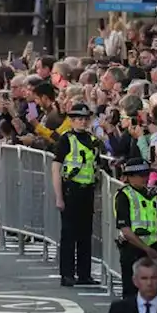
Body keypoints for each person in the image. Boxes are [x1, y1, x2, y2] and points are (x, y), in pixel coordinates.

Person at [52, 102, 102, 287]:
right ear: (71, 121)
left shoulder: (93, 140)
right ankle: (67, 274)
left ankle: (84, 274)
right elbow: (56, 168)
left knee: (85, 234)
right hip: (70, 190)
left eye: (84, 119)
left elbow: (96, 167)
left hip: (87, 191)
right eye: (78, 119)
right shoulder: (66, 140)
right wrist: (58, 196)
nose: (82, 122)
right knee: (68, 235)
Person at [115, 157, 157, 297]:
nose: (145, 178)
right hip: (133, 250)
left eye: (146, 174)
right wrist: (146, 248)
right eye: (141, 175)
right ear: (130, 177)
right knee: (131, 294)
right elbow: (126, 229)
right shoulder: (124, 196)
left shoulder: (151, 195)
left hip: (152, 249)